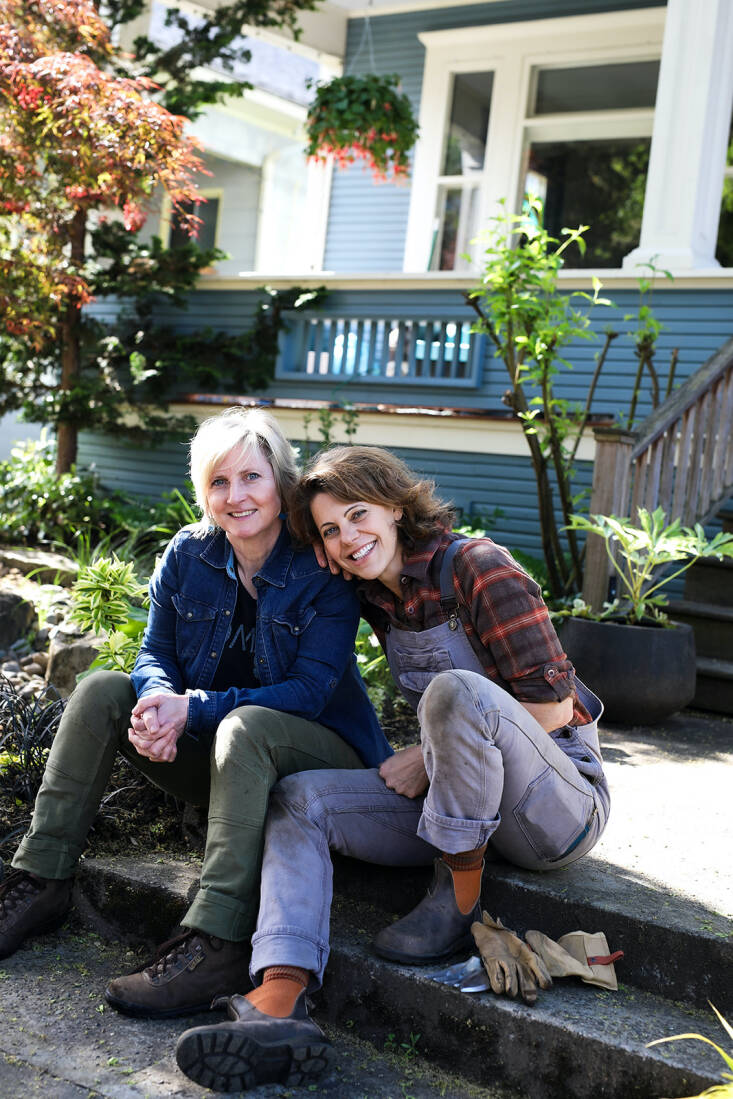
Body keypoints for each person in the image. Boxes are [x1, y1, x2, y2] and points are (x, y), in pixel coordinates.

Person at [175, 444, 610, 1092]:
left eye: (357, 515)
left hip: (555, 804)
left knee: (452, 691)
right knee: (297, 799)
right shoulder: (375, 590)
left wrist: (429, 753)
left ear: (396, 506)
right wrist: (313, 545)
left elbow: (554, 709)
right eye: (330, 530)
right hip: (464, 799)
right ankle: (280, 997)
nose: (348, 538)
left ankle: (458, 895)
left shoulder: (478, 566)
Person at [0, 413, 391, 1019]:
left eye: (252, 477)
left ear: (282, 481)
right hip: (226, 764)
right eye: (218, 481)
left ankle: (220, 939)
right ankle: (40, 881)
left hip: (318, 763)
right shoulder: (189, 554)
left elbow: (310, 691)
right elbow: (153, 653)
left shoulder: (320, 567)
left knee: (246, 723)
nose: (236, 496)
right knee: (104, 688)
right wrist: (157, 706)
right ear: (202, 492)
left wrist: (195, 709)